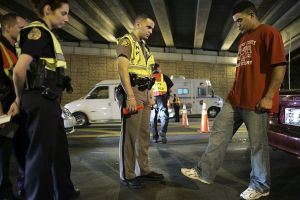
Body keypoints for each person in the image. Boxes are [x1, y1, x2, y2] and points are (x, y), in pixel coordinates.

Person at [181, 1, 286, 200]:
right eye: (235, 22)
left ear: (252, 14)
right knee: (218, 134)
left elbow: (279, 67)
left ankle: (261, 186)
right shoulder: (244, 39)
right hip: (235, 99)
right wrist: (232, 93)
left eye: (239, 20)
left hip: (257, 102)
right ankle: (204, 172)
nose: (237, 25)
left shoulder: (269, 33)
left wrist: (268, 97)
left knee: (257, 145)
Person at [8, 1, 79, 199]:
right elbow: (19, 70)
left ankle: (64, 192)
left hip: (48, 101)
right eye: (63, 13)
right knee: (40, 156)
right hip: (40, 99)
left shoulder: (47, 35)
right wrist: (19, 98)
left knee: (58, 153)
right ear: (48, 10)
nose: (67, 18)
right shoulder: (38, 32)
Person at [115, 14, 164, 189]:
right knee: (130, 135)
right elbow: (122, 68)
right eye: (148, 27)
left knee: (144, 135)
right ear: (138, 24)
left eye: (152, 28)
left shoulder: (145, 48)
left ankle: (144, 170)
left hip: (144, 92)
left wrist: (151, 94)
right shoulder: (127, 41)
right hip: (132, 91)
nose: (151, 31)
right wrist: (129, 96)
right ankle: (127, 174)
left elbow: (150, 73)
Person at [0, 13, 27, 200]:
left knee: (20, 148)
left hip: (15, 109)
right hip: (5, 110)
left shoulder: (15, 49)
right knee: (4, 152)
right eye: (20, 27)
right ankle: (4, 190)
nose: (22, 31)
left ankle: (23, 186)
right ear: (8, 27)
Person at [150, 63, 173, 143]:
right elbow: (170, 89)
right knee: (164, 116)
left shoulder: (149, 77)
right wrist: (168, 97)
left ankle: (155, 138)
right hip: (162, 99)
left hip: (152, 100)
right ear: (158, 68)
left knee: (153, 119)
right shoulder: (164, 77)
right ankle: (163, 132)